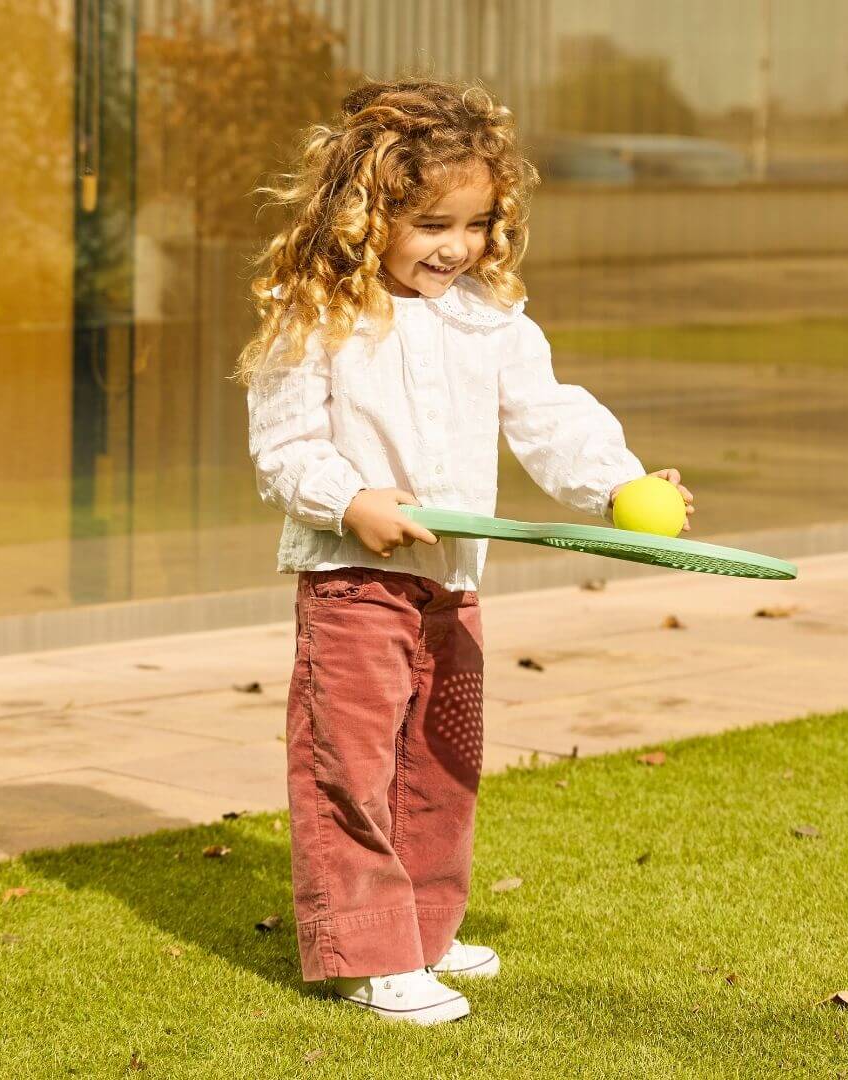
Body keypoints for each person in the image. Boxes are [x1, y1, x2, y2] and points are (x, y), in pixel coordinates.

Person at [235, 78, 695, 1025]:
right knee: (350, 771)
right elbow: (285, 449)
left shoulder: (490, 318)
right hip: (353, 583)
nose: (460, 246)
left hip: (452, 586)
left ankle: (425, 930)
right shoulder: (314, 314)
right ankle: (370, 952)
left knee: (441, 763)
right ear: (367, 214)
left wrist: (617, 484)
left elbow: (549, 417)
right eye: (432, 224)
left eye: (478, 222)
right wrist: (350, 500)